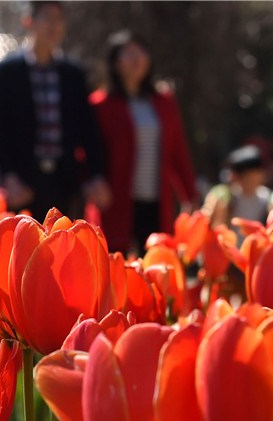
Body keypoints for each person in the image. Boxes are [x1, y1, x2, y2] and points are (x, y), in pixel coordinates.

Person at [0, 1, 108, 223]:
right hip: (22, 185)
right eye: (48, 17)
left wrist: (96, 175)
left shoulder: (74, 75)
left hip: (65, 182)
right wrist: (9, 176)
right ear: (29, 21)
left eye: (59, 19)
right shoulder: (7, 72)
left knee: (63, 249)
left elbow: (87, 130)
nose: (54, 25)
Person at [90, 30, 197, 254]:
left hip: (156, 199)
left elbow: (178, 151)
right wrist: (94, 182)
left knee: (154, 264)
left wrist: (189, 196)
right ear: (115, 63)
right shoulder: (100, 105)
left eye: (141, 53)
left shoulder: (164, 102)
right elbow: (90, 152)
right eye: (129, 54)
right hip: (116, 201)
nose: (136, 59)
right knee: (114, 263)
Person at [203, 145, 270, 236]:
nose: (250, 181)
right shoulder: (227, 197)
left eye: (254, 176)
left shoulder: (266, 198)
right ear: (236, 177)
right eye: (246, 177)